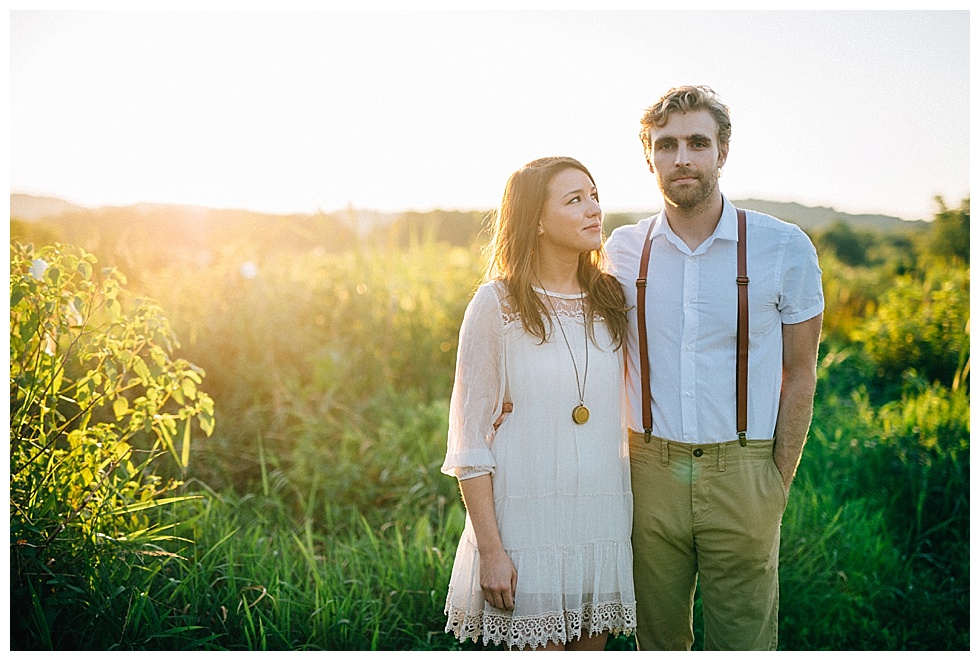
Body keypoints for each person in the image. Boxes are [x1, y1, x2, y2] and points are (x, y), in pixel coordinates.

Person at [604, 85, 824, 650]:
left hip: (745, 471)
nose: (682, 158)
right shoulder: (621, 252)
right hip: (647, 471)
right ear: (648, 156)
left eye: (697, 143)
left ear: (722, 152)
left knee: (742, 643)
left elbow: (799, 375)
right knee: (656, 641)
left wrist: (776, 480)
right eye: (666, 144)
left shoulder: (784, 247)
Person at [441, 156, 636, 651]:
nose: (594, 209)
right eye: (575, 200)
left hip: (602, 517)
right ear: (537, 221)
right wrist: (491, 550)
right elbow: (469, 441)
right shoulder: (498, 303)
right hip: (528, 521)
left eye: (594, 195)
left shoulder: (613, 298)